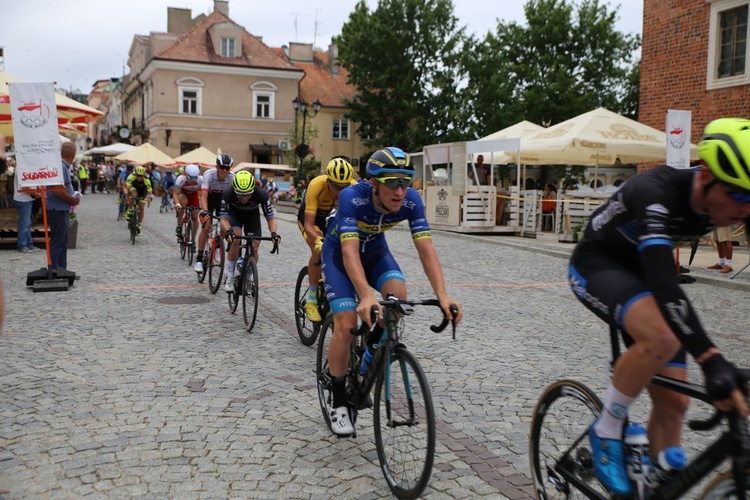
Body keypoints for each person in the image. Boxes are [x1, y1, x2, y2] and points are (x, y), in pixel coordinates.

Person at [568, 117, 750, 496]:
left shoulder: (730, 204)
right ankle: (607, 428)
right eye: (740, 195)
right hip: (599, 263)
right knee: (663, 338)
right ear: (706, 175)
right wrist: (711, 358)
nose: (745, 209)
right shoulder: (657, 191)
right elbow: (665, 284)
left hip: (643, 273)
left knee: (676, 404)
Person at [321, 147, 463, 436]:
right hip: (339, 254)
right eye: (392, 183)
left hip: (374, 253)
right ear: (374, 183)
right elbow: (349, 253)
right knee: (347, 325)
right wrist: (366, 295)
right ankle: (338, 399)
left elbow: (426, 249)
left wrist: (443, 294)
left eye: (405, 182)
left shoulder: (411, 201)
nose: (400, 191)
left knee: (398, 299)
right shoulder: (352, 197)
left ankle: (369, 357)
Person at [297, 158, 356, 321]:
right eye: (335, 186)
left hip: (332, 220)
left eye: (343, 187)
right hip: (311, 220)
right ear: (328, 181)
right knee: (319, 250)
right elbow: (309, 224)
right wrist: (318, 240)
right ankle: (311, 299)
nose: (339, 191)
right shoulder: (316, 185)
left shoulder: (354, 187)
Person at [220, 171, 279, 292]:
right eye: (240, 195)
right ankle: (230, 275)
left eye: (247, 195)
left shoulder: (261, 194)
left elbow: (271, 218)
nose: (244, 198)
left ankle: (250, 277)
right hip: (235, 216)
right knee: (236, 239)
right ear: (234, 190)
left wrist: (273, 233)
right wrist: (228, 230)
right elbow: (224, 219)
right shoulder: (228, 194)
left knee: (255, 246)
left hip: (252, 218)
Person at [195, 154, 235, 273]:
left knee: (224, 225)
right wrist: (205, 210)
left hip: (222, 201)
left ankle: (218, 247)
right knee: (206, 226)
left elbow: (234, 198)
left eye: (227, 168)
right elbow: (204, 195)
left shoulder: (232, 177)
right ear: (217, 166)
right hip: (210, 200)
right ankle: (199, 259)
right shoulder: (209, 175)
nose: (224, 170)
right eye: (222, 167)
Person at [46, 141, 81, 270]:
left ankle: (61, 268)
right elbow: (57, 190)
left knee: (62, 240)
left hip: (60, 208)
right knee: (58, 241)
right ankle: (56, 269)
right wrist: (72, 200)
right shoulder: (61, 167)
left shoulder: (61, 166)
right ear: (73, 154)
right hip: (58, 208)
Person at [13, 161, 39, 253]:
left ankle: (29, 244)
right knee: (24, 223)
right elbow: (25, 187)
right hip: (23, 199)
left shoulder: (22, 167)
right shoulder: (21, 168)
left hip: (26, 199)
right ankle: (22, 245)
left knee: (27, 223)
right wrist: (36, 194)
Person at [174, 164, 203, 245]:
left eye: (195, 178)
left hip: (194, 195)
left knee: (195, 216)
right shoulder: (181, 179)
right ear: (186, 175)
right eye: (191, 178)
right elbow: (175, 194)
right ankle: (179, 225)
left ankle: (193, 239)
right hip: (183, 194)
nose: (193, 181)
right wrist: (177, 204)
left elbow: (203, 192)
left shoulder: (201, 179)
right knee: (183, 203)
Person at [125, 165, 153, 235]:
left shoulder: (147, 180)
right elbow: (127, 186)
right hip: (134, 188)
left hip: (142, 192)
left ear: (144, 175)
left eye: (141, 176)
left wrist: (150, 197)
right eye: (138, 175)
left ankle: (139, 224)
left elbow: (150, 192)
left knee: (141, 206)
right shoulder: (132, 177)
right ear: (135, 174)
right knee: (133, 195)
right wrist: (127, 194)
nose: (139, 177)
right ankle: (130, 211)